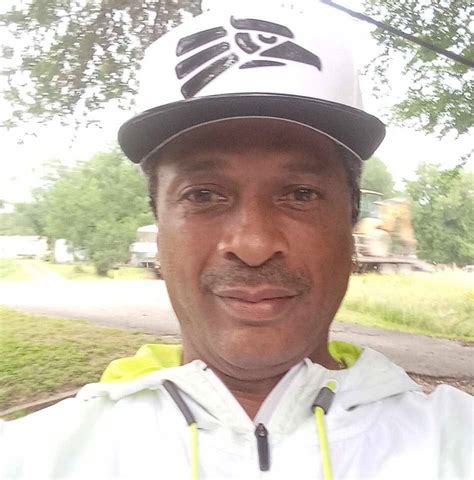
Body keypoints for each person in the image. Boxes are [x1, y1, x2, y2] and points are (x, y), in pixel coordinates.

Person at [0, 3, 471, 479]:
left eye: (300, 194)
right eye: (203, 195)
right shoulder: (34, 457)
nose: (253, 244)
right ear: (159, 227)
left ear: (349, 222)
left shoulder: (454, 443)